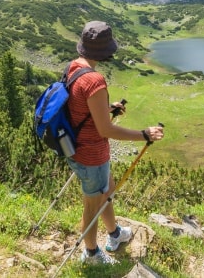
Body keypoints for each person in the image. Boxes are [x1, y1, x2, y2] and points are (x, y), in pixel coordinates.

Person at [66, 20, 164, 265]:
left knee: (106, 192)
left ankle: (115, 234)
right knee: (92, 206)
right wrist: (144, 134)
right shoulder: (94, 80)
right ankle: (90, 254)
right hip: (91, 155)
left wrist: (107, 108)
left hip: (76, 146)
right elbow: (105, 129)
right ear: (104, 50)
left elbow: (79, 107)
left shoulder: (74, 67)